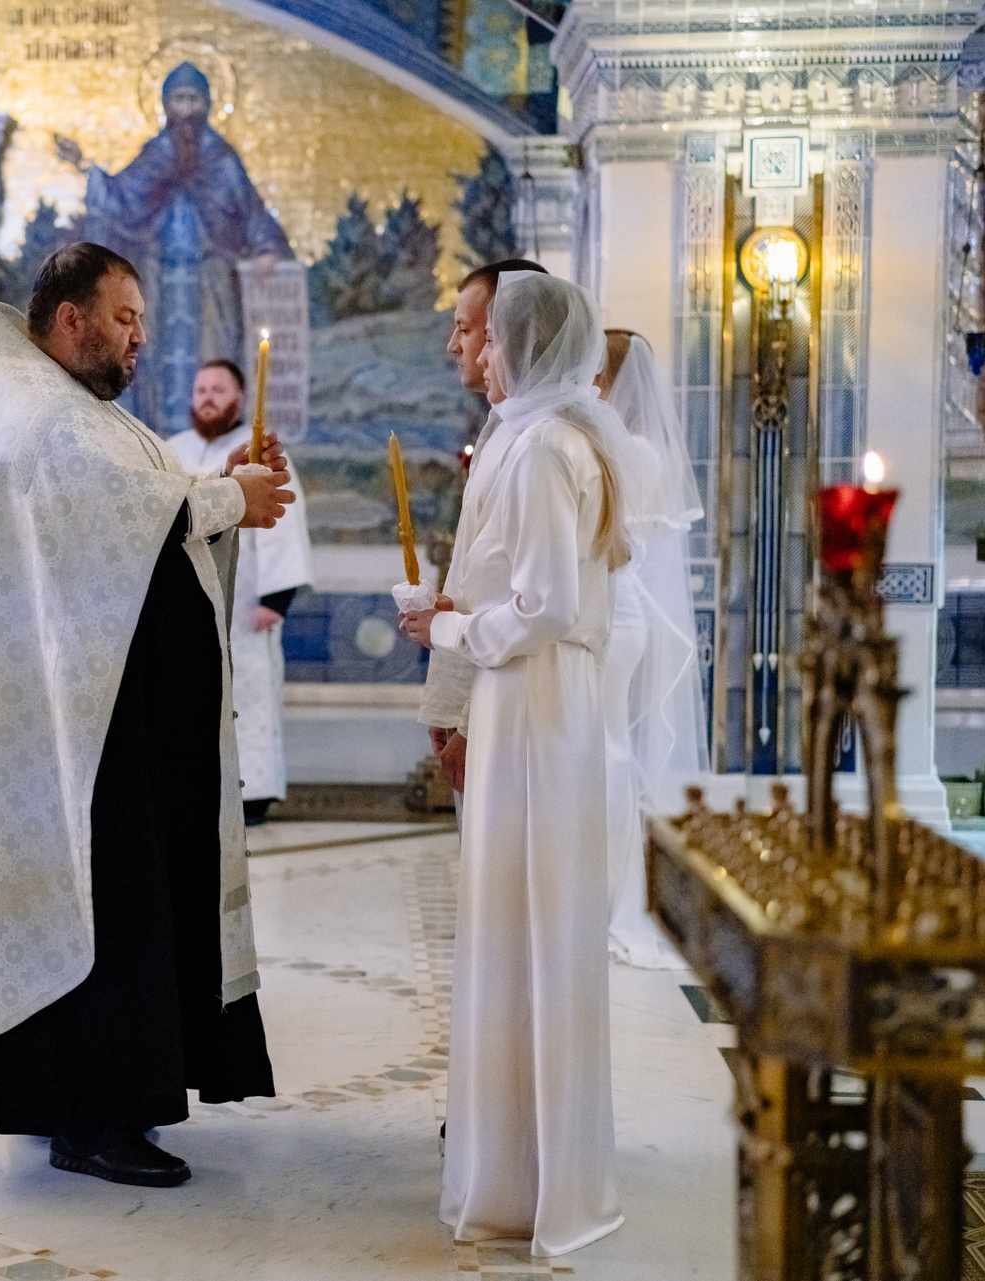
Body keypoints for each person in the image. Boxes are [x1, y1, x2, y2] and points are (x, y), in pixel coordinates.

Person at [0, 243, 293, 1188]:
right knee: (105, 903)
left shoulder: (79, 408)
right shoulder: (42, 413)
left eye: (142, 322)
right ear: (71, 318)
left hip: (113, 719)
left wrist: (224, 490)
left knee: (128, 902)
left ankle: (109, 1101)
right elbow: (128, 511)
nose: (138, 338)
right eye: (124, 319)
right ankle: (92, 1118)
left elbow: (148, 516)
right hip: (84, 734)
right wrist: (228, 497)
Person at [398, 272, 634, 1256]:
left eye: (490, 338)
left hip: (532, 700)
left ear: (527, 348)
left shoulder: (542, 449)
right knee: (522, 929)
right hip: (532, 700)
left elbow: (546, 606)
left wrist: (447, 627)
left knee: (527, 926)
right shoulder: (549, 437)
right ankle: (525, 1170)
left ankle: (532, 1185)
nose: (479, 354)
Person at [57, 62, 295, 435]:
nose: (186, 109)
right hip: (158, 280)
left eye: (193, 99)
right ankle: (160, 441)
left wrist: (266, 247)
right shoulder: (155, 155)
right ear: (166, 105)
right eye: (179, 100)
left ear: (207, 104)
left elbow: (250, 210)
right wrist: (85, 167)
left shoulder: (222, 159)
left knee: (215, 352)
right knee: (154, 357)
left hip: (210, 278)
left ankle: (216, 437)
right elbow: (122, 200)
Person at [418, 257, 548, 801]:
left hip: (526, 695)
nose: (455, 346)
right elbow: (479, 575)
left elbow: (529, 598)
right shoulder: (505, 431)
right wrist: (451, 702)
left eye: (469, 331)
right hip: (491, 680)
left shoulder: (541, 446)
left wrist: (470, 721)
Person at [597, 330, 705, 969]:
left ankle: (618, 903)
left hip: (616, 613)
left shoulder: (625, 450)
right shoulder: (644, 449)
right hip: (626, 612)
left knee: (611, 756)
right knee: (617, 755)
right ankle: (618, 897)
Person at [167, 358, 313, 825]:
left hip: (246, 605)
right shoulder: (171, 451)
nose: (207, 398)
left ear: (239, 398)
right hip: (185, 604)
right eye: (201, 390)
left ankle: (253, 791)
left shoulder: (256, 454)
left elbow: (281, 524)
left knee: (248, 695)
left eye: (218, 390)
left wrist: (275, 600)